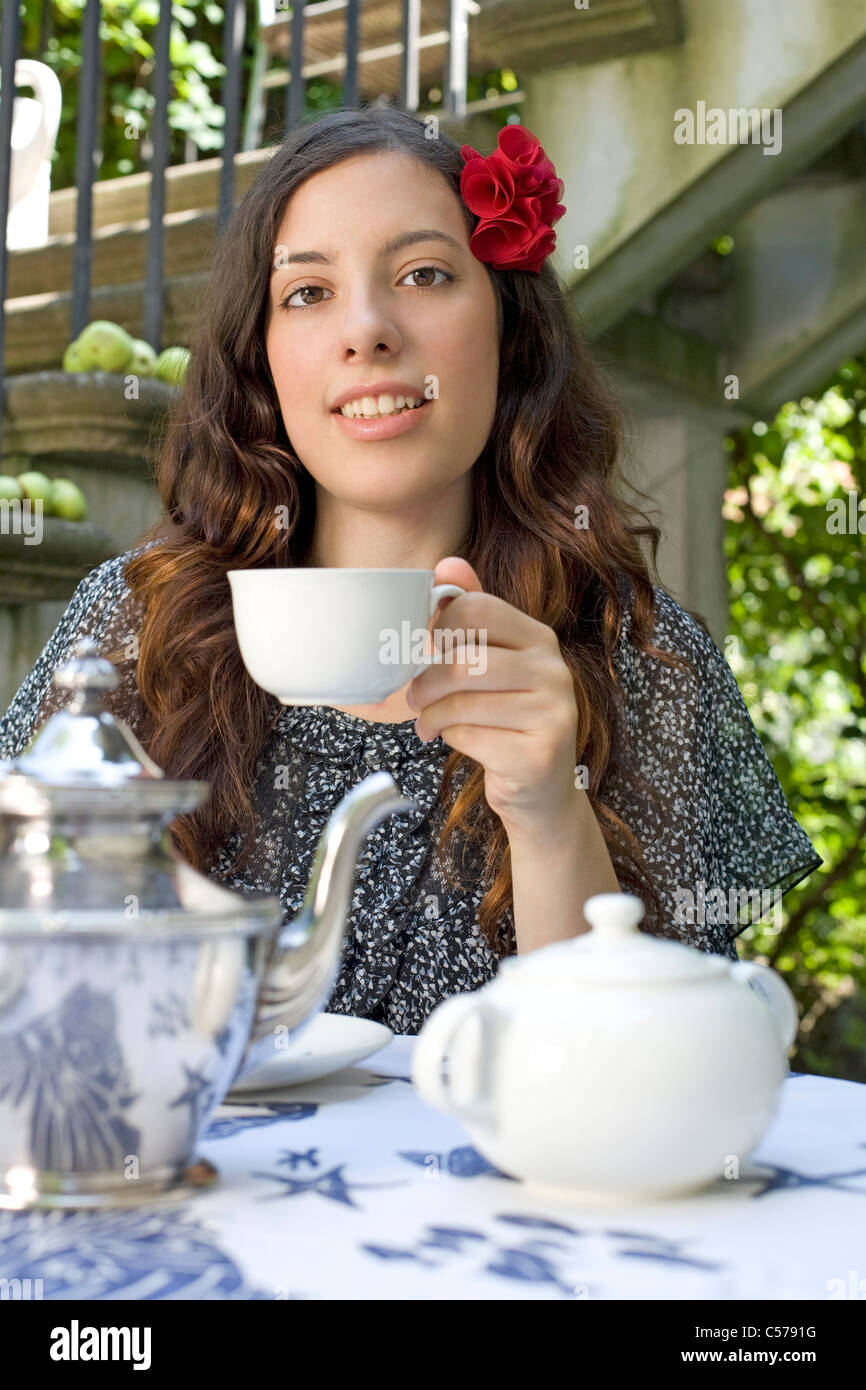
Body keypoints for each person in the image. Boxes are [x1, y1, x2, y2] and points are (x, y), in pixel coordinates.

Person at [0, 107, 821, 1034]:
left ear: (511, 334)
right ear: (262, 359)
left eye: (423, 275)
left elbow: (660, 1083)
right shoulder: (134, 622)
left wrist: (550, 812)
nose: (367, 331)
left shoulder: (645, 661)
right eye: (307, 292)